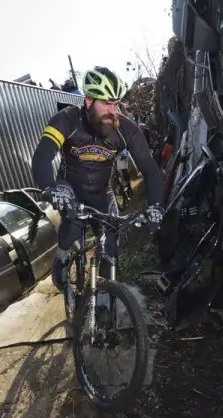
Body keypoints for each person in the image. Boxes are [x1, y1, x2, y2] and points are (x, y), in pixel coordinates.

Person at [31, 66, 164, 291]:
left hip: (102, 192)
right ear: (88, 101)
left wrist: (155, 206)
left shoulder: (125, 128)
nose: (112, 111)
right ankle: (62, 257)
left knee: (110, 245)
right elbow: (42, 157)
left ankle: (106, 301)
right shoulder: (67, 119)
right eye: (105, 103)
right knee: (73, 227)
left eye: (115, 104)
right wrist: (50, 187)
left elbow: (150, 170)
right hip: (69, 188)